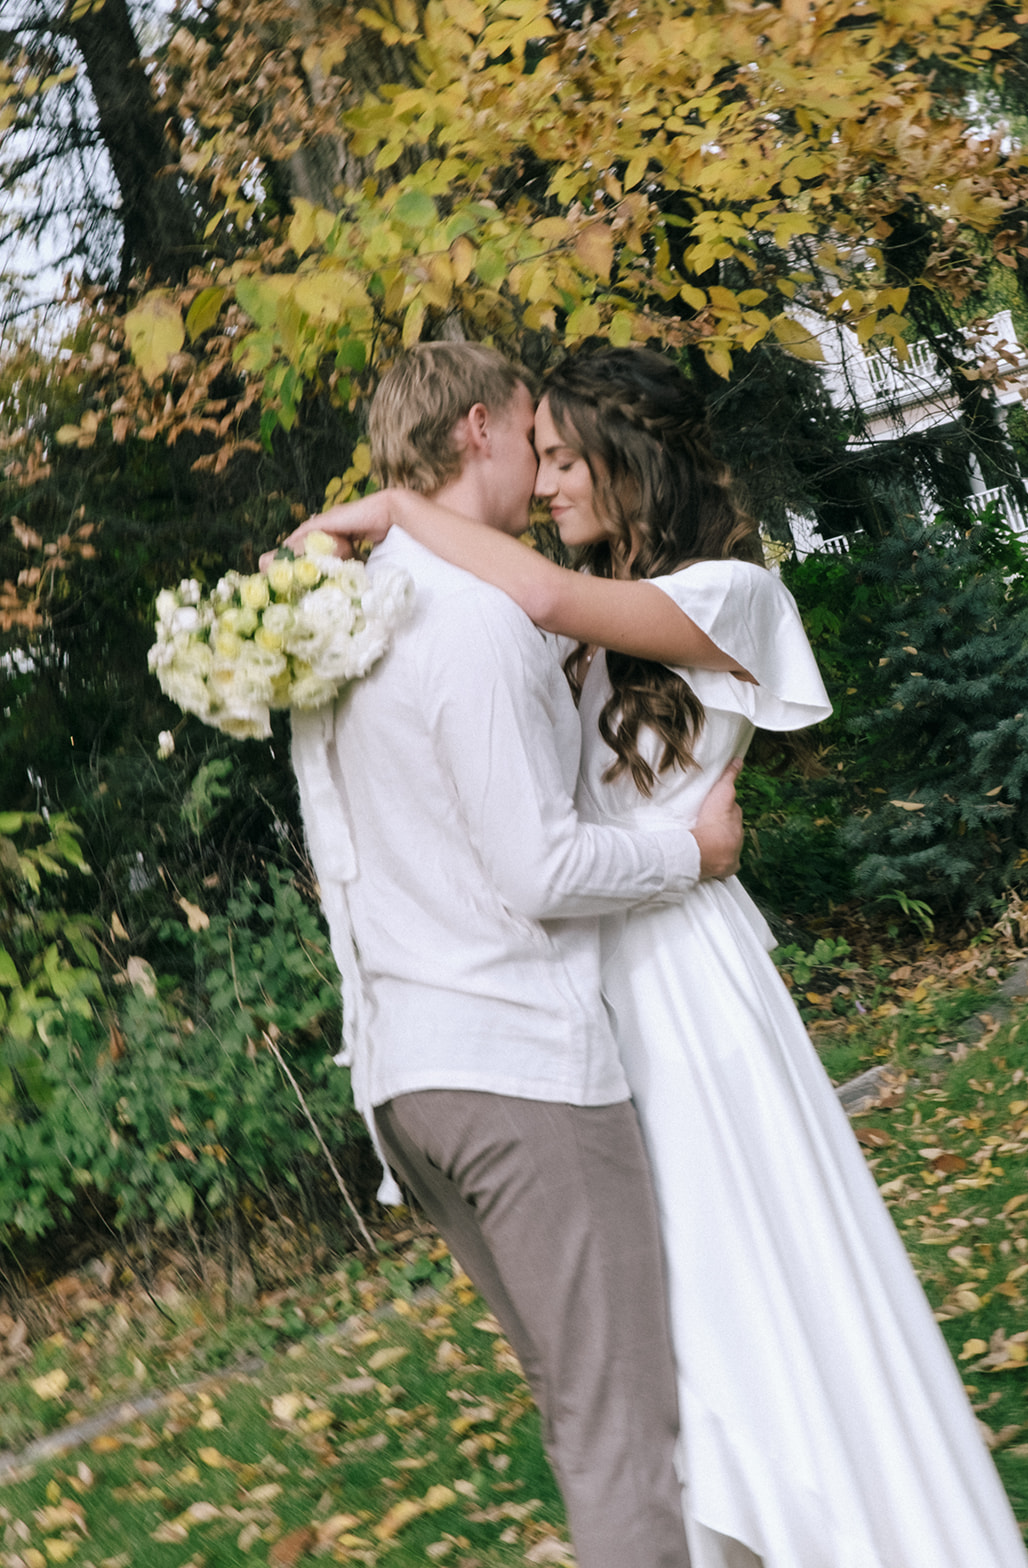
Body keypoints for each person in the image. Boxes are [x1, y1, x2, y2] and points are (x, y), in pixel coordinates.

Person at [292, 346, 1028, 1568]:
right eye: (544, 452)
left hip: (686, 986)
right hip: (586, 989)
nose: (549, 482)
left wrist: (397, 513)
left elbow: (535, 597)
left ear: (632, 464)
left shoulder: (730, 593)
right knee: (660, 1340)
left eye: (572, 459)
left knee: (751, 1289)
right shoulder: (550, 623)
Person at [276, 341, 752, 1568]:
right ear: (478, 427)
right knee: (620, 1435)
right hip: (518, 1076)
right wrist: (685, 855)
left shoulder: (330, 622)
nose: (548, 472)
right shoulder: (475, 617)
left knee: (580, 1404)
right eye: (534, 438)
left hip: (405, 1079)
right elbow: (538, 870)